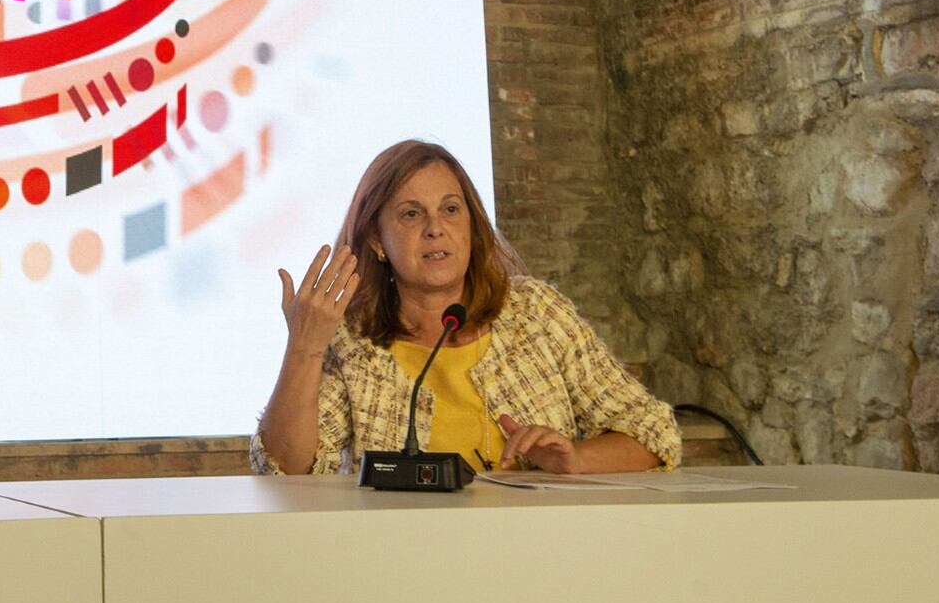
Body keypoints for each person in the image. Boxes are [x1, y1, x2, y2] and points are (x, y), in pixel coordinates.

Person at [254, 139, 678, 476]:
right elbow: (286, 470)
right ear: (378, 241)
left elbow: (654, 433)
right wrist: (304, 349)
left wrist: (577, 460)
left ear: (472, 228)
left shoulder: (537, 314)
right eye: (410, 214)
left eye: (451, 210)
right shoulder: (351, 338)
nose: (435, 228)